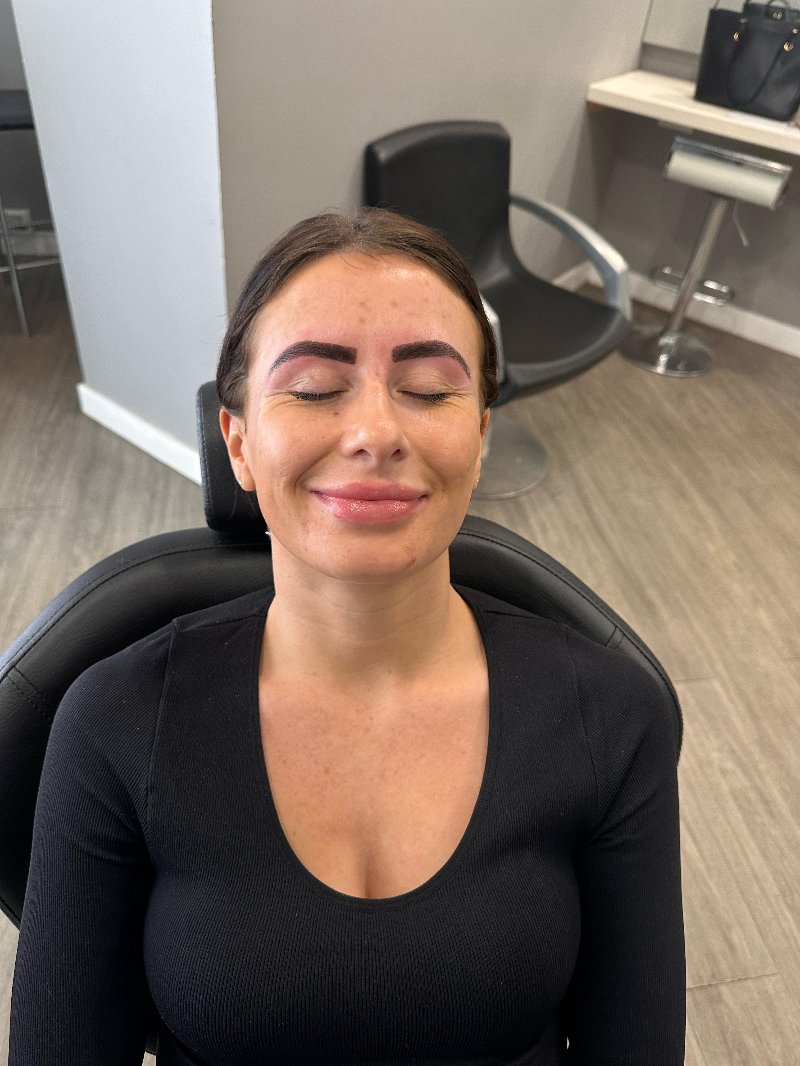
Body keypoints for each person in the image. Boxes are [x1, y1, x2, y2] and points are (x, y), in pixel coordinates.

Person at [10, 208, 685, 1065]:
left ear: (480, 436)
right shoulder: (112, 720)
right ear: (238, 441)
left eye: (430, 389)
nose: (374, 434)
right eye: (314, 389)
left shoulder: (611, 717)